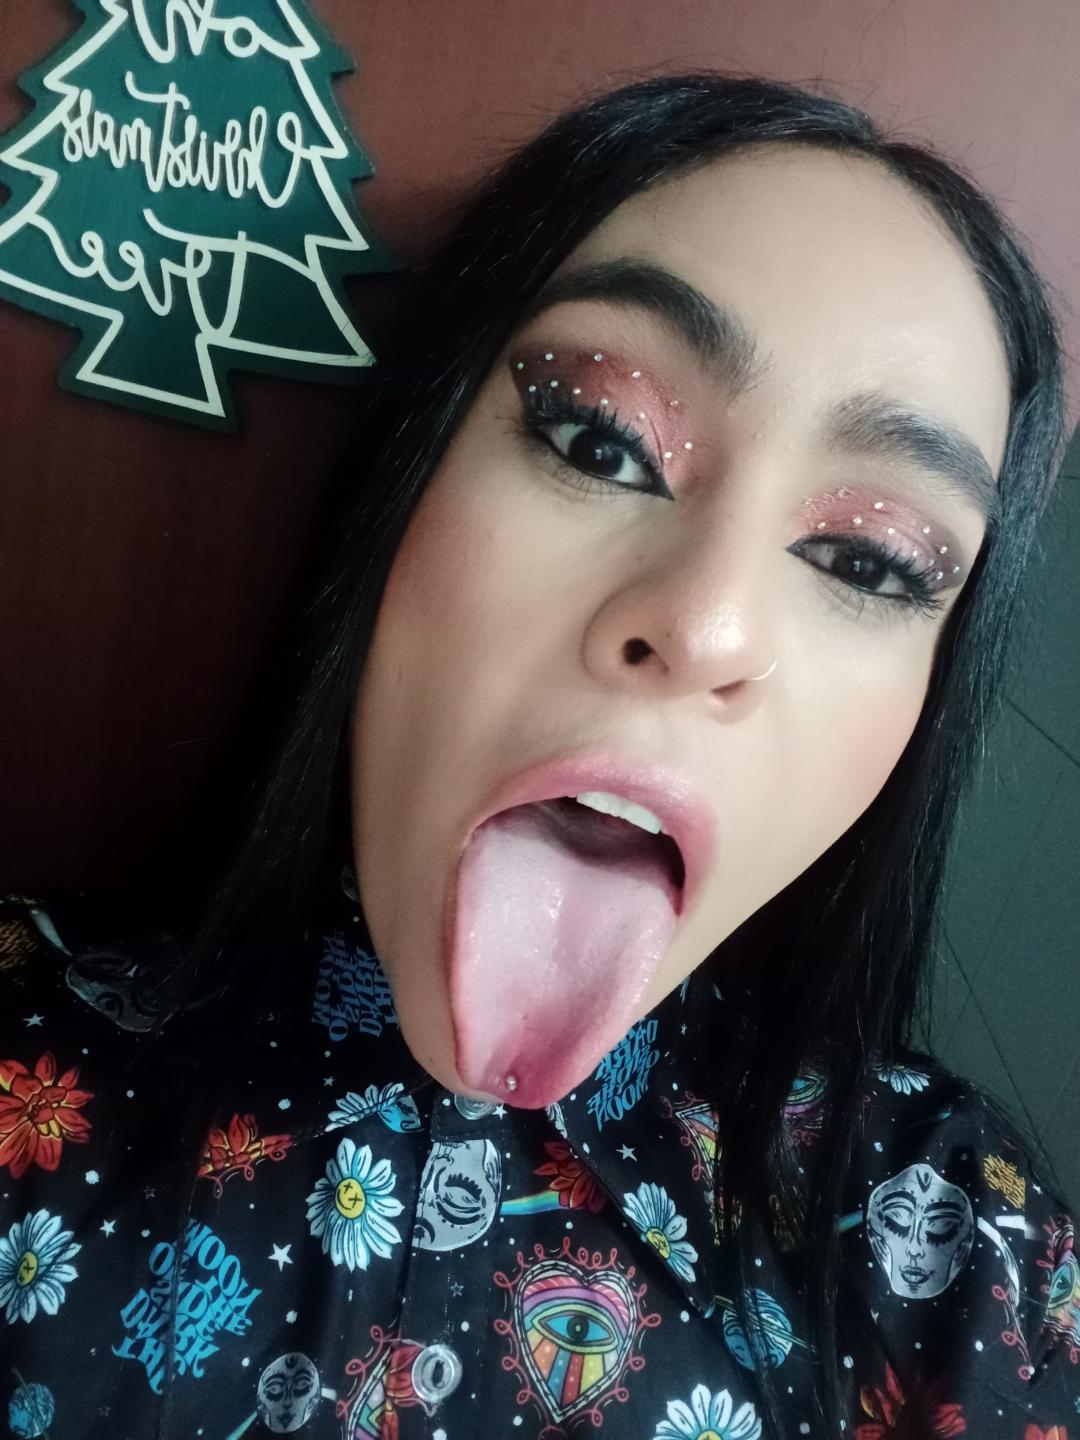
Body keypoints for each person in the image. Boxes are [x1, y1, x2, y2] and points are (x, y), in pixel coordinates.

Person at [1, 71, 1076, 1440]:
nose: (705, 625)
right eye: (597, 440)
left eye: (868, 562)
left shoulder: (962, 1258)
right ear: (408, 475)